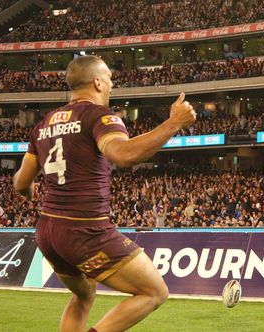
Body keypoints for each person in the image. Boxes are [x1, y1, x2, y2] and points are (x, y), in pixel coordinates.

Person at [13, 55, 196, 332]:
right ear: (97, 82)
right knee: (154, 292)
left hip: (48, 232)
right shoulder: (100, 116)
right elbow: (124, 155)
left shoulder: (44, 124)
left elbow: (20, 183)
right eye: (109, 77)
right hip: (85, 230)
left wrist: (29, 192)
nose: (111, 83)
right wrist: (173, 123)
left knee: (84, 294)